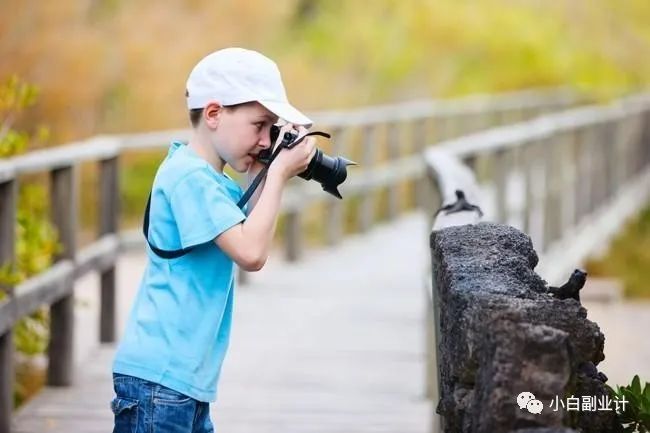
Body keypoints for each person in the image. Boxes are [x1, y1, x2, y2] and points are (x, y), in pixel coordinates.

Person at [110, 47, 316, 433]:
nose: (264, 138)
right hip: (161, 381)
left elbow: (252, 226)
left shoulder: (207, 179)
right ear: (214, 114)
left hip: (182, 381)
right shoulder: (191, 180)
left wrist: (266, 164)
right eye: (259, 125)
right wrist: (278, 175)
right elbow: (251, 253)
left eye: (271, 129)